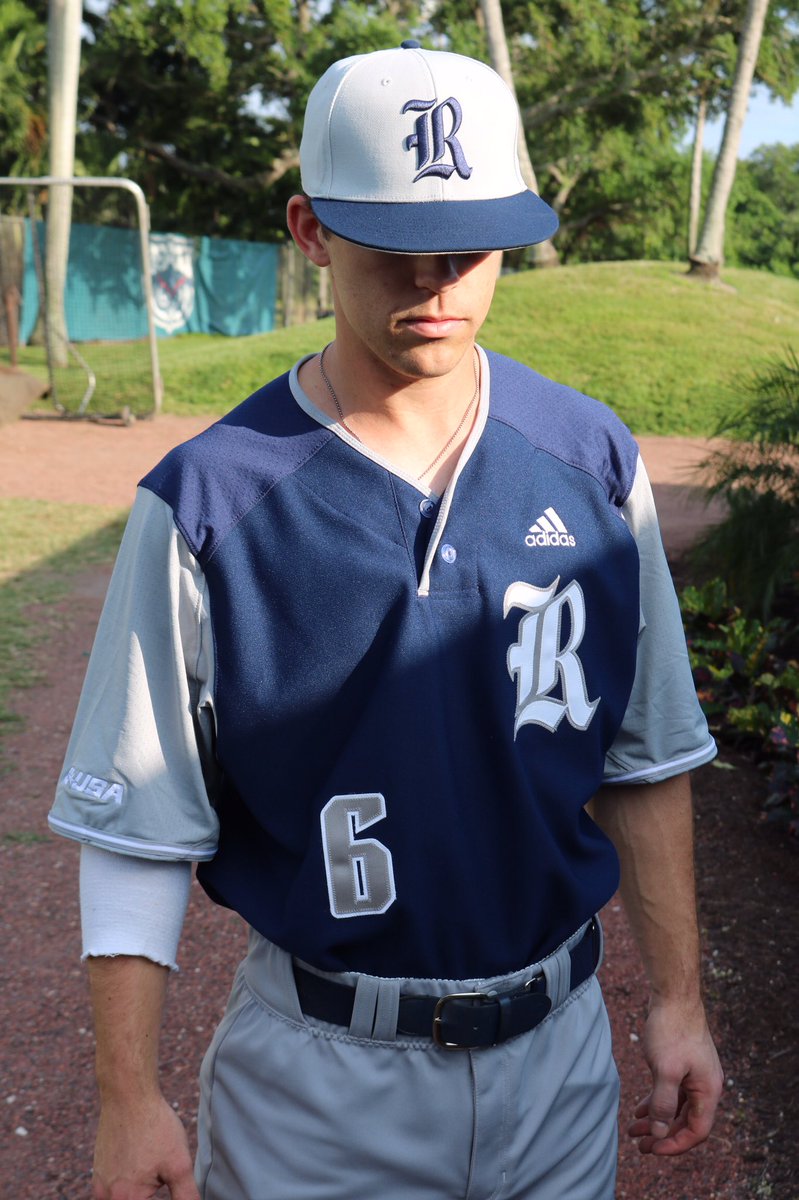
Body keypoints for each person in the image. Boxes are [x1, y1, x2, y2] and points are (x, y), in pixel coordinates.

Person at [50, 41, 723, 1200]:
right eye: (396, 246)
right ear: (311, 231)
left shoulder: (590, 459)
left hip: (558, 1059)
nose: (437, 279)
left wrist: (678, 1001)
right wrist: (128, 1096)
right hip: (318, 1085)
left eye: (468, 245)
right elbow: (139, 826)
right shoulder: (211, 501)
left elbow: (644, 755)